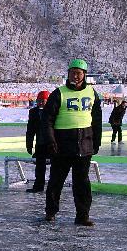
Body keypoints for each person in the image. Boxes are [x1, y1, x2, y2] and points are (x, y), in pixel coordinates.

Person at [42, 58, 102, 226]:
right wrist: (51, 141)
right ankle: (51, 212)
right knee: (56, 181)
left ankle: (82, 216)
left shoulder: (91, 93)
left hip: (84, 145)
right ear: (68, 74)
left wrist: (96, 141)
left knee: (82, 183)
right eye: (72, 73)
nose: (75, 76)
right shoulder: (59, 93)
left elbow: (97, 119)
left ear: (84, 75)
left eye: (79, 73)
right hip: (61, 146)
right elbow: (47, 120)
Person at [25, 90, 51, 193]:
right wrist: (29, 144)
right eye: (39, 100)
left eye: (43, 101)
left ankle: (53, 187)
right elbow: (30, 130)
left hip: (52, 144)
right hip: (40, 144)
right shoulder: (33, 112)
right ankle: (38, 186)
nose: (40, 103)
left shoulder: (53, 111)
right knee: (40, 167)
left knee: (56, 168)